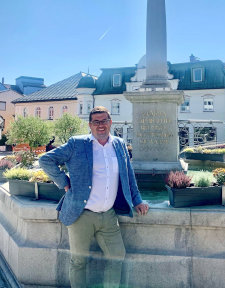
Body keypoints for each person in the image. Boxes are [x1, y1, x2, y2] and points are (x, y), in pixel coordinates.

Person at [39, 106, 149, 288]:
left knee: (117, 257)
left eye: (104, 120)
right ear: (90, 125)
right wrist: (64, 182)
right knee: (79, 262)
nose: (100, 125)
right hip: (81, 214)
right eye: (96, 122)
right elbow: (45, 160)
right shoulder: (77, 143)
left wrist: (137, 200)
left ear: (110, 122)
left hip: (108, 215)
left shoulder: (119, 144)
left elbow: (128, 175)